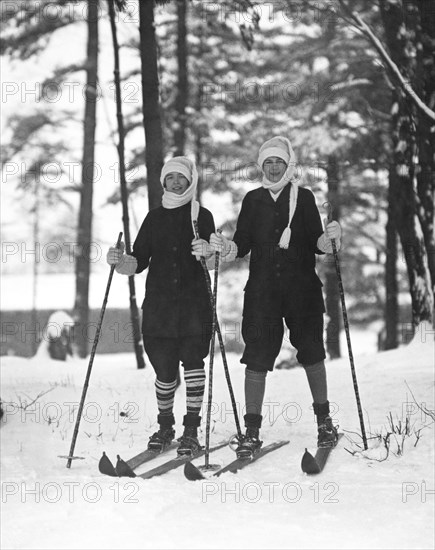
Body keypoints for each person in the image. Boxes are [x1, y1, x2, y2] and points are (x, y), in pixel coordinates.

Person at [209, 136, 341, 459]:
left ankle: (325, 423)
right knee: (256, 356)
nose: (272, 167)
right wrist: (227, 248)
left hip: (303, 292)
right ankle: (251, 432)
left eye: (277, 162)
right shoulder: (253, 201)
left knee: (311, 351)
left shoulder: (305, 199)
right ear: (261, 166)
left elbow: (316, 243)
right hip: (262, 293)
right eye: (267, 162)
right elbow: (241, 244)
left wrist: (329, 240)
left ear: (288, 164)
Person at [106, 157, 215, 457]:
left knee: (194, 363)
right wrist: (120, 261)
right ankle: (165, 426)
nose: (176, 183)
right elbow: (138, 260)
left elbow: (213, 259)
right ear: (163, 182)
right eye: (171, 178)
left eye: (181, 177)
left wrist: (208, 251)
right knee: (165, 371)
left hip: (194, 305)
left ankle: (191, 429)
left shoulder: (201, 216)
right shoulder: (154, 219)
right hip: (160, 308)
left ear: (190, 180)